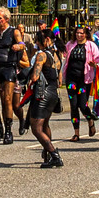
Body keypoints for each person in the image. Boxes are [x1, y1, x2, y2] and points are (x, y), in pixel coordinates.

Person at [24, 28, 64, 168]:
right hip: (53, 93)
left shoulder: (42, 55)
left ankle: (54, 155)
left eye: (37, 40)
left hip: (43, 93)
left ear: (46, 40)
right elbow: (59, 78)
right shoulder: (57, 55)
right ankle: (47, 153)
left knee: (36, 128)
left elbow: (35, 76)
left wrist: (29, 78)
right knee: (45, 124)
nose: (35, 42)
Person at [0, 7, 26, 146]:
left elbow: (22, 44)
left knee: (7, 99)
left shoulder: (14, 32)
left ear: (6, 19)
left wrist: (19, 47)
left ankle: (8, 131)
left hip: (9, 67)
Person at [62, 29, 99, 142]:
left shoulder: (91, 46)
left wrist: (94, 64)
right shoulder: (70, 44)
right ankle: (76, 133)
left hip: (85, 79)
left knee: (83, 105)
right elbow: (64, 57)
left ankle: (90, 120)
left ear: (86, 34)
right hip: (71, 79)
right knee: (73, 105)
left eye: (81, 33)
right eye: (77, 33)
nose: (79, 35)